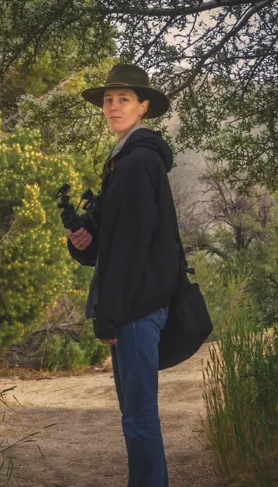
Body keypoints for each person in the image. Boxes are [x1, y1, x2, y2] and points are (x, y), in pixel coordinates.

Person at [65, 63, 179, 487]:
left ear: (143, 108)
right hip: (138, 304)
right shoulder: (126, 161)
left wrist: (110, 312)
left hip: (134, 309)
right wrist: (85, 241)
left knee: (139, 418)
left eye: (124, 99)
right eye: (109, 100)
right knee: (136, 415)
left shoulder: (135, 163)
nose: (113, 107)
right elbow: (116, 241)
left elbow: (132, 247)